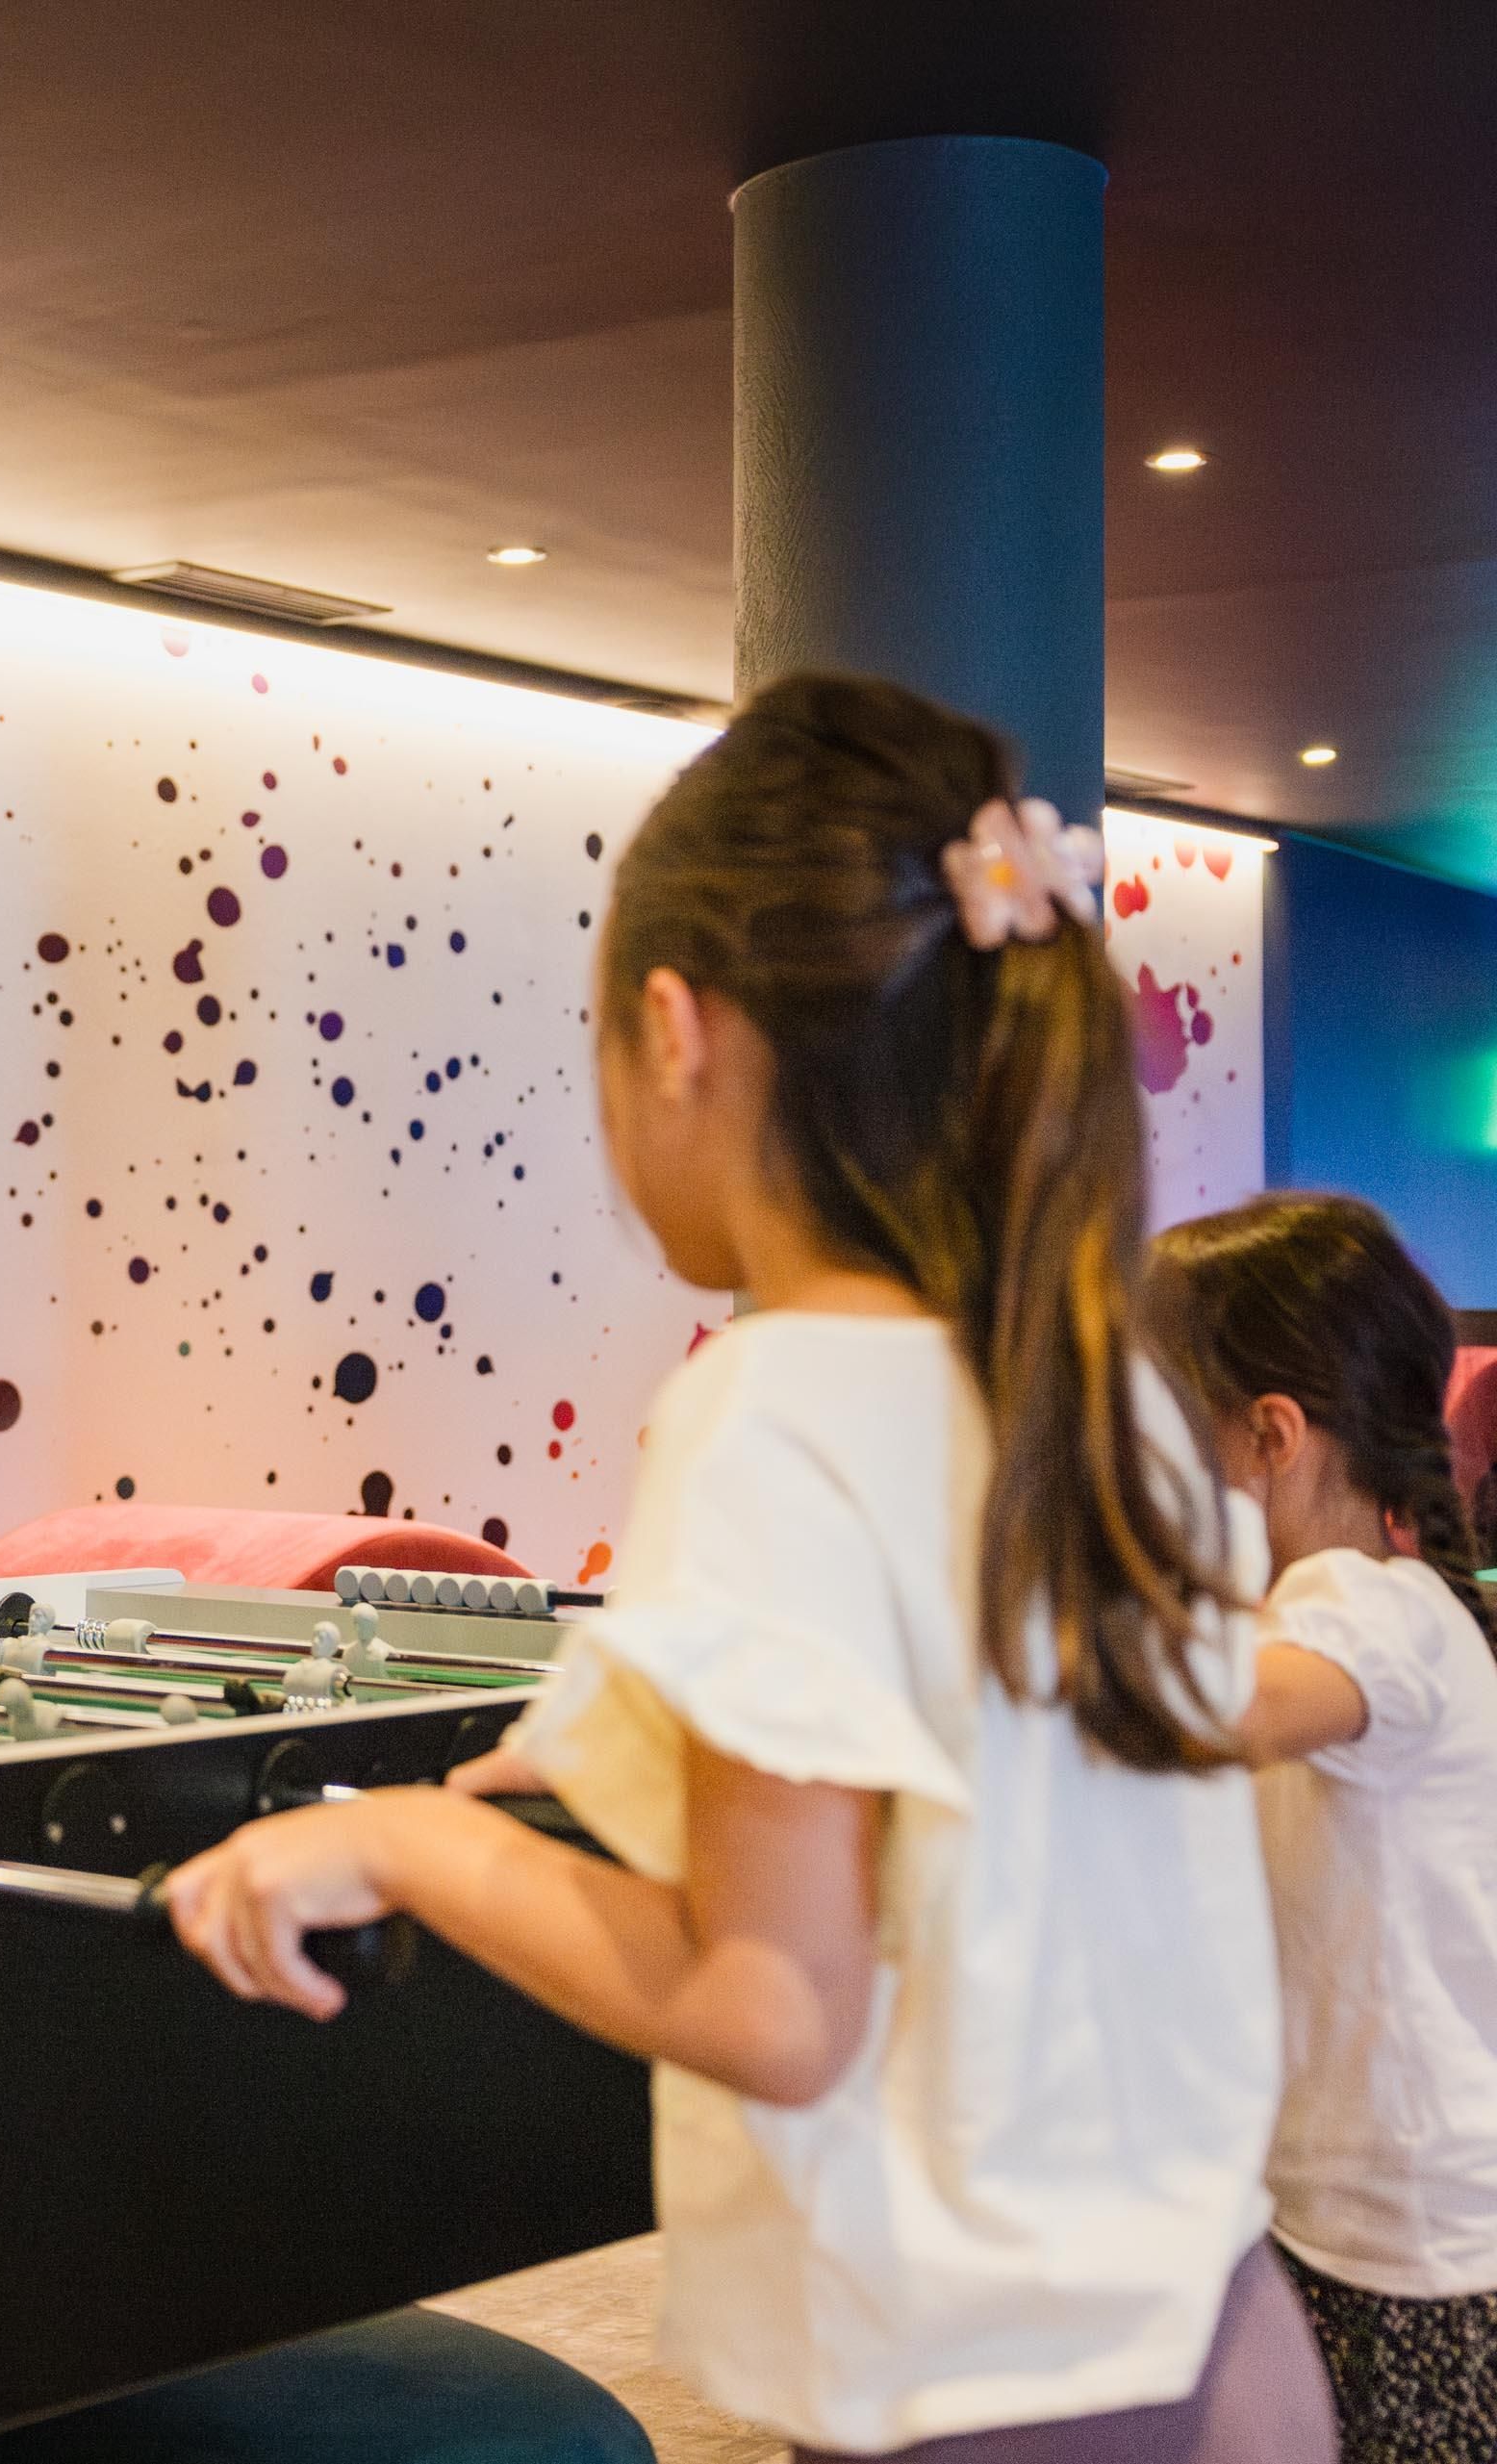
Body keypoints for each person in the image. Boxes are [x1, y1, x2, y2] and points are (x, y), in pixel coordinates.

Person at [161, 675, 1332, 2459]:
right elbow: (982, 1781)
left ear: (675, 1029)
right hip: (1224, 2352)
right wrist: (609, 1746)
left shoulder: (772, 1400)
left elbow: (772, 2005)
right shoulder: (1093, 1388)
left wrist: (398, 1836)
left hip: (986, 2403)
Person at [1151, 1193, 1497, 2464]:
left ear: (1271, 1437)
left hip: (1416, 2263)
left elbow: (1208, 1711)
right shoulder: (1336, 1608)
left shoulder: (1367, 1605)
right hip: (1341, 2224)